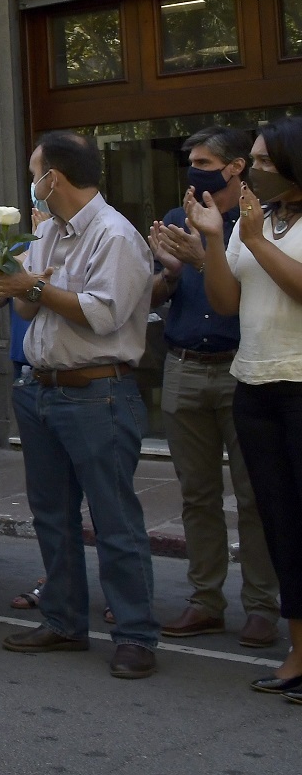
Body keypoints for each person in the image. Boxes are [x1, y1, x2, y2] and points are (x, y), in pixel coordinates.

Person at [0, 131, 159, 680]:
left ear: (53, 179)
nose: (32, 184)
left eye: (34, 172)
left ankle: (135, 634)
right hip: (42, 388)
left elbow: (101, 313)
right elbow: (24, 309)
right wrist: (13, 286)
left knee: (114, 519)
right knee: (52, 517)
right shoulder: (48, 235)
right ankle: (63, 620)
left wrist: (33, 289)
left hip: (97, 390)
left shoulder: (115, 236)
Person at [150, 127, 280, 648]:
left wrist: (210, 253)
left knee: (253, 495)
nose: (194, 167)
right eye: (191, 159)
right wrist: (170, 273)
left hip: (240, 366)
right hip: (183, 364)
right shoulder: (178, 219)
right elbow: (157, 295)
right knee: (197, 494)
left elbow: (264, 291)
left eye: (205, 160)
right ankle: (205, 600)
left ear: (235, 168)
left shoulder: (256, 222)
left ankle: (262, 606)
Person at [190, 116, 302, 702]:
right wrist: (214, 238)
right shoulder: (256, 219)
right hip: (254, 384)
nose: (250, 168)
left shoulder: (262, 225)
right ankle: (299, 650)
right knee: (282, 522)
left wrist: (255, 239)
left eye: (260, 159)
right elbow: (225, 301)